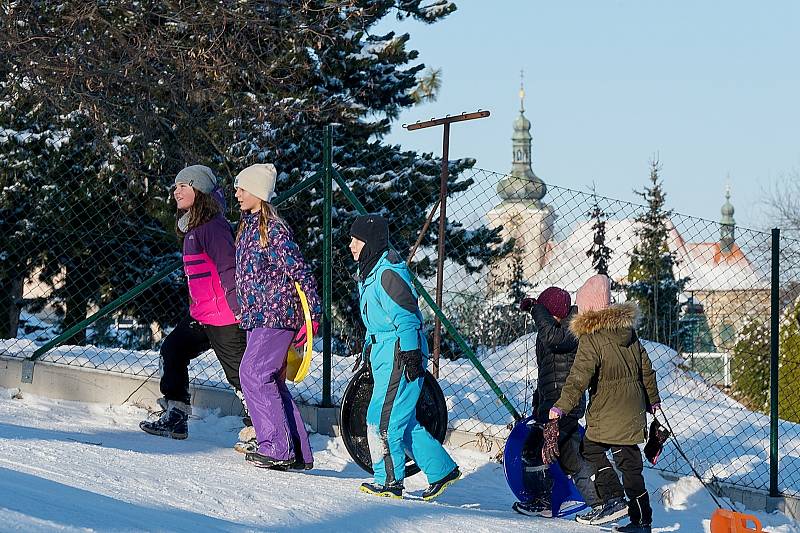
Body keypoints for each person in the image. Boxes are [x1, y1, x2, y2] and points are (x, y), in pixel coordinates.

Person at [348, 214, 460, 501]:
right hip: (385, 352)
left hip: (400, 352)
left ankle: (389, 481)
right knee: (401, 420)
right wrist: (368, 353)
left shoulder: (388, 274)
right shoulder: (371, 272)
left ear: (370, 242)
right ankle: (441, 470)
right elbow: (378, 322)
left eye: (356, 239)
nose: (351, 245)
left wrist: (410, 354)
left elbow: (408, 317)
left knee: (381, 420)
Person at [140, 165, 247, 440]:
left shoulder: (213, 226)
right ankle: (175, 415)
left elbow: (228, 267)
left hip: (225, 315)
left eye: (183, 185)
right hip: (202, 314)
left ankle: (267, 428)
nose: (176, 191)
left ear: (199, 190)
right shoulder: (193, 226)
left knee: (240, 377)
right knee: (172, 350)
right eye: (175, 186)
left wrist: (238, 308)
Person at [548, 274, 661, 533]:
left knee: (590, 449)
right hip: (632, 413)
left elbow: (578, 378)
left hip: (607, 412)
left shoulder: (592, 337)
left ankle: (612, 499)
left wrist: (561, 406)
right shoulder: (629, 333)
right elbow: (647, 369)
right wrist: (653, 401)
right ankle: (642, 521)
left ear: (587, 308)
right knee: (631, 464)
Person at [234, 163, 320, 470]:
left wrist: (313, 314)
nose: (237, 193)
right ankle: (296, 450)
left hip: (276, 314)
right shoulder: (248, 226)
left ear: (258, 191)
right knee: (269, 380)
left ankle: (275, 446)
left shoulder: (273, 229)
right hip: (257, 315)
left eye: (243, 188)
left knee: (254, 374)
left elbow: (298, 270)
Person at [513, 287, 601, 518]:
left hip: (564, 406)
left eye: (545, 314)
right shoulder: (552, 333)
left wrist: (536, 308)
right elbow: (546, 375)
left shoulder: (570, 330)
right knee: (569, 455)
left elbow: (552, 338)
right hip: (553, 405)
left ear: (554, 314)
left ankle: (544, 500)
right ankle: (596, 499)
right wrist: (537, 403)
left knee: (535, 450)